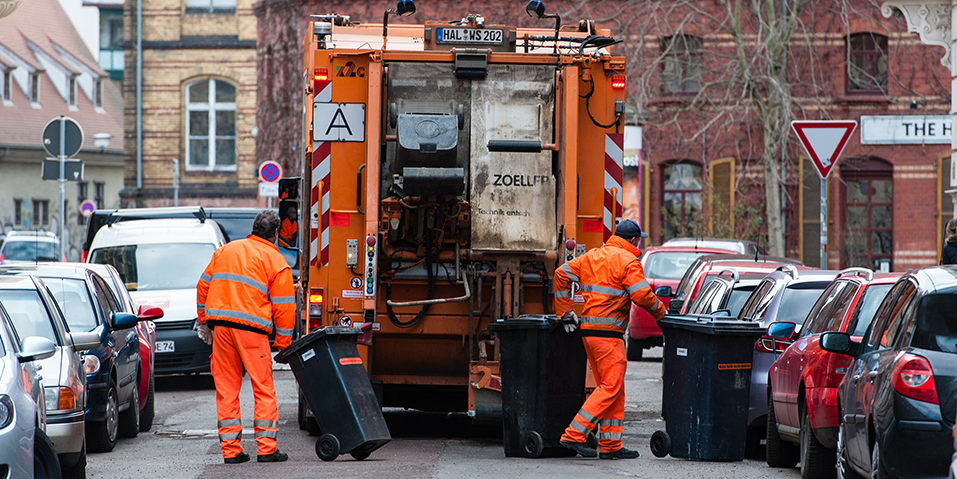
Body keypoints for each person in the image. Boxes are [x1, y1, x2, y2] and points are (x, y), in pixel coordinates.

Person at [554, 219, 666, 459]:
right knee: (611, 387)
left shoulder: (593, 256)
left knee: (614, 388)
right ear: (634, 240)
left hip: (589, 333)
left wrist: (564, 311)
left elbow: (560, 274)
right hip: (609, 335)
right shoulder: (628, 261)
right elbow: (641, 295)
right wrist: (661, 313)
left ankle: (610, 445)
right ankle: (573, 434)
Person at [196, 210, 296, 464]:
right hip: (252, 332)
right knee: (263, 388)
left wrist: (203, 321)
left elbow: (203, 286)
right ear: (275, 234)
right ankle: (267, 449)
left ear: (253, 228)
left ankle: (231, 452)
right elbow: (284, 306)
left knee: (227, 389)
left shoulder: (226, 251)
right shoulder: (276, 260)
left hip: (222, 330)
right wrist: (283, 345)